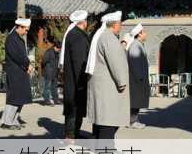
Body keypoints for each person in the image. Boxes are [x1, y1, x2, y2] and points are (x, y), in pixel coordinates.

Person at [86, 11, 130, 140]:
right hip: (109, 86)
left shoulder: (102, 36)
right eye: (120, 23)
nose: (121, 26)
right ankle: (106, 149)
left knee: (101, 118)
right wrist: (122, 82)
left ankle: (99, 145)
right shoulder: (109, 38)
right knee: (108, 120)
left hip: (102, 85)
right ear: (115, 24)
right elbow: (115, 62)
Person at [60, 9, 90, 139]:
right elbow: (79, 61)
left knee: (75, 107)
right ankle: (70, 135)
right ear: (84, 22)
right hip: (76, 80)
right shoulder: (78, 36)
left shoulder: (74, 34)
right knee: (74, 108)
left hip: (73, 79)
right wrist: (83, 80)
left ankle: (74, 133)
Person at [1, 18, 33, 130]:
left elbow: (23, 56)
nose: (26, 32)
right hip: (15, 72)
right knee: (14, 97)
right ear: (20, 27)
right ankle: (7, 122)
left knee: (20, 97)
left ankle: (14, 120)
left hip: (21, 71)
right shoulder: (11, 39)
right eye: (26, 29)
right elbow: (17, 56)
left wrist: (28, 64)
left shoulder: (18, 39)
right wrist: (27, 64)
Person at [127, 23, 149, 129]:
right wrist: (140, 78)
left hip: (138, 78)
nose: (145, 34)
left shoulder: (139, 44)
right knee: (135, 100)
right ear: (139, 34)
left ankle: (134, 120)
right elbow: (135, 62)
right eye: (144, 32)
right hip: (136, 79)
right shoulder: (135, 45)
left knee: (137, 100)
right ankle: (132, 121)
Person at [41, 37, 61, 106]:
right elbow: (43, 61)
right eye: (58, 48)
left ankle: (56, 99)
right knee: (47, 87)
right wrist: (46, 69)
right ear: (55, 46)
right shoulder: (49, 52)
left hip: (55, 73)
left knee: (54, 87)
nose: (59, 50)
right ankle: (46, 100)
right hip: (48, 73)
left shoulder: (57, 53)